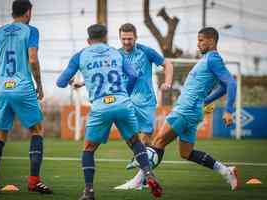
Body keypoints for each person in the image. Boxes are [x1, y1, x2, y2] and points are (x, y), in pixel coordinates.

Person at [56, 24, 163, 200]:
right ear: (106, 38)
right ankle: (149, 175)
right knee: (135, 141)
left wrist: (69, 80)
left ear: (88, 40)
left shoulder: (81, 55)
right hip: (122, 103)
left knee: (89, 149)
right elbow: (134, 75)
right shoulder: (116, 52)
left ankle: (88, 191)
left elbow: (60, 82)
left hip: (100, 106)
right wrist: (124, 94)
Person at [139, 27, 239, 191]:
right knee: (186, 153)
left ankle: (140, 181)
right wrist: (205, 100)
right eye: (198, 40)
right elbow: (223, 87)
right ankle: (226, 171)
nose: (198, 44)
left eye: (201, 40)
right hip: (192, 110)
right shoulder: (209, 59)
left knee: (158, 142)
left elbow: (231, 83)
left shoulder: (213, 59)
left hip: (186, 110)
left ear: (212, 41)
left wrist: (228, 110)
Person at [0, 0, 52, 195]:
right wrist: (39, 84)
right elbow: (32, 58)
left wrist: (0, 82)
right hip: (22, 87)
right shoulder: (31, 31)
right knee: (37, 130)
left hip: (3, 88)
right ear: (29, 12)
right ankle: (33, 181)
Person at [114, 23, 173, 190]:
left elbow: (167, 64)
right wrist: (82, 83)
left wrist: (167, 83)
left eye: (130, 39)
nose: (126, 42)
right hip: (125, 101)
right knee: (131, 139)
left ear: (136, 37)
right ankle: (145, 176)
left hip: (145, 101)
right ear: (120, 38)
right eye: (123, 38)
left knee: (145, 137)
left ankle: (140, 180)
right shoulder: (116, 55)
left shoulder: (146, 51)